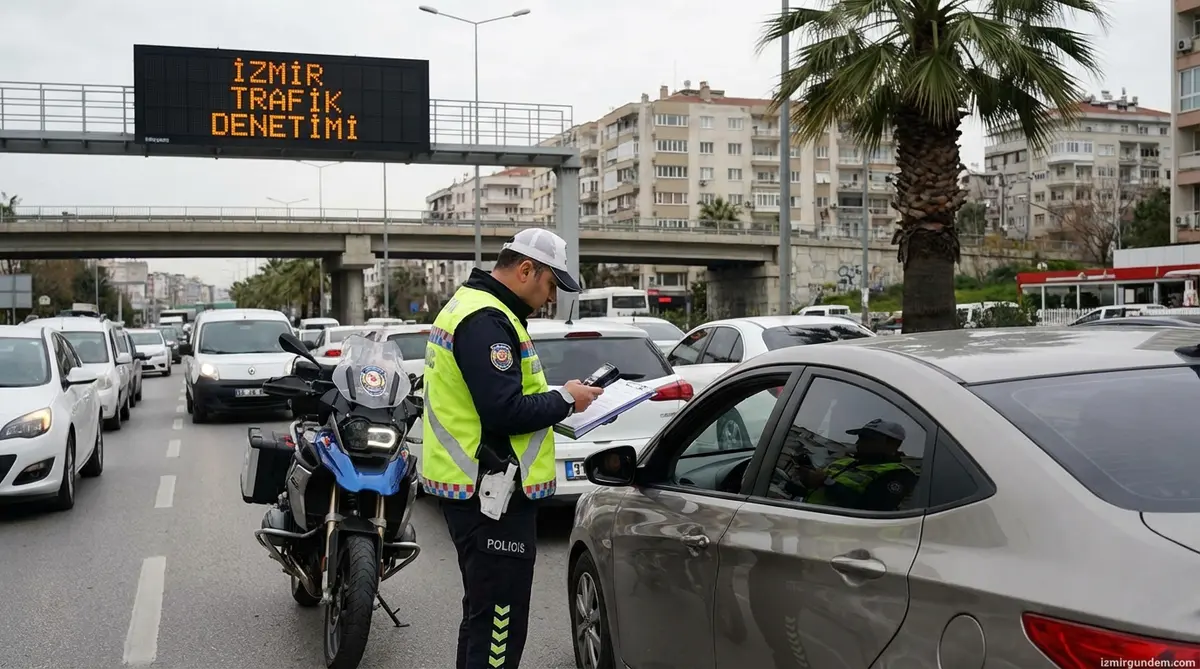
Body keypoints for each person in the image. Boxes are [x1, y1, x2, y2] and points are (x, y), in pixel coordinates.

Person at [421, 227, 604, 669]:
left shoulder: (475, 308)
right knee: (499, 622)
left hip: (478, 488)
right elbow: (503, 410)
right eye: (550, 285)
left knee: (483, 616)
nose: (549, 297)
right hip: (490, 495)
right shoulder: (486, 321)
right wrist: (566, 398)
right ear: (527, 269)